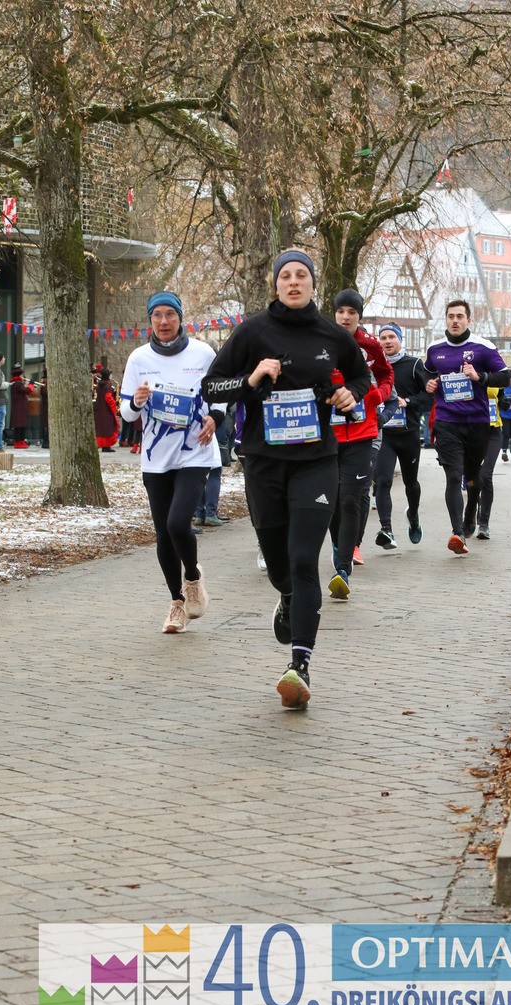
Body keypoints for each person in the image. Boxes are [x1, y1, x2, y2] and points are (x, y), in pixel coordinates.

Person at [202, 250, 370, 708]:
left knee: (303, 558)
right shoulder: (253, 331)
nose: (294, 282)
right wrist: (252, 377)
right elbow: (211, 385)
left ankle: (300, 665)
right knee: (279, 565)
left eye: (302, 276)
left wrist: (348, 396)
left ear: (313, 284)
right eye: (286, 276)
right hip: (262, 461)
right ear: (276, 285)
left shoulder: (332, 334)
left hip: (316, 459)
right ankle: (288, 599)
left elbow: (361, 378)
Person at [121, 292, 224, 634]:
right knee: (163, 533)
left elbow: (219, 394)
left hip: (196, 452)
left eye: (170, 315)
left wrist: (214, 418)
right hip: (156, 459)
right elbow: (125, 411)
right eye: (157, 316)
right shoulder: (139, 358)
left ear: (181, 318)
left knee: (179, 523)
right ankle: (177, 603)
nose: (163, 322)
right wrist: (135, 402)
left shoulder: (203, 353)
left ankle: (193, 577)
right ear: (149, 320)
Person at [424, 300, 510, 554]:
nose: (455, 321)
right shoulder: (435, 348)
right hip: (447, 422)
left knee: (474, 478)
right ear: (446, 320)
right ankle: (457, 533)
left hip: (477, 423)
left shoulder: (483, 347)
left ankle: (472, 508)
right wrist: (429, 384)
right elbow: (426, 373)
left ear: (468, 320)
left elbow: (506, 376)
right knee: (453, 475)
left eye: (460, 316)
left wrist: (479, 377)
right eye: (450, 316)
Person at [328, 289, 393, 598]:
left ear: (358, 316)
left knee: (352, 499)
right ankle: (339, 545)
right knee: (330, 501)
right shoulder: (320, 343)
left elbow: (385, 373)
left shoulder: (370, 346)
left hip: (361, 433)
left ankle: (342, 568)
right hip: (326, 436)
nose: (345, 317)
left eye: (351, 312)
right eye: (340, 311)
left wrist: (379, 394)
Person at [375, 323, 430, 549]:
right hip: (384, 433)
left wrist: (408, 402)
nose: (387, 341)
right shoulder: (374, 367)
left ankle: (414, 516)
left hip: (408, 434)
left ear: (400, 340)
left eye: (391, 337)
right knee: (383, 480)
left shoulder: (414, 364)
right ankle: (386, 529)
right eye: (383, 338)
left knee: (410, 482)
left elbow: (429, 397)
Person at [475, 387, 504, 540]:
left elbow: (502, 398)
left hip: (493, 430)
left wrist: (505, 403)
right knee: (472, 476)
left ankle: (484, 523)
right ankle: (473, 509)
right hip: (473, 430)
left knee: (485, 475)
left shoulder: (497, 376)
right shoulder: (466, 372)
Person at [93, 368, 120, 452]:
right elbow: (108, 397)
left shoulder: (99, 385)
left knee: (101, 428)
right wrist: (114, 406)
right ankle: (106, 446)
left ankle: (103, 445)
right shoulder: (107, 385)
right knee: (108, 427)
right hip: (106, 410)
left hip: (99, 409)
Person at [9, 364, 33, 449]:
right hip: (19, 408)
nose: (23, 376)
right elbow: (26, 390)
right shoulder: (17, 383)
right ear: (19, 375)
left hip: (19, 407)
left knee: (21, 425)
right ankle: (19, 442)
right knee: (19, 426)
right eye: (21, 375)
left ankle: (21, 441)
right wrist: (31, 385)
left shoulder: (16, 383)